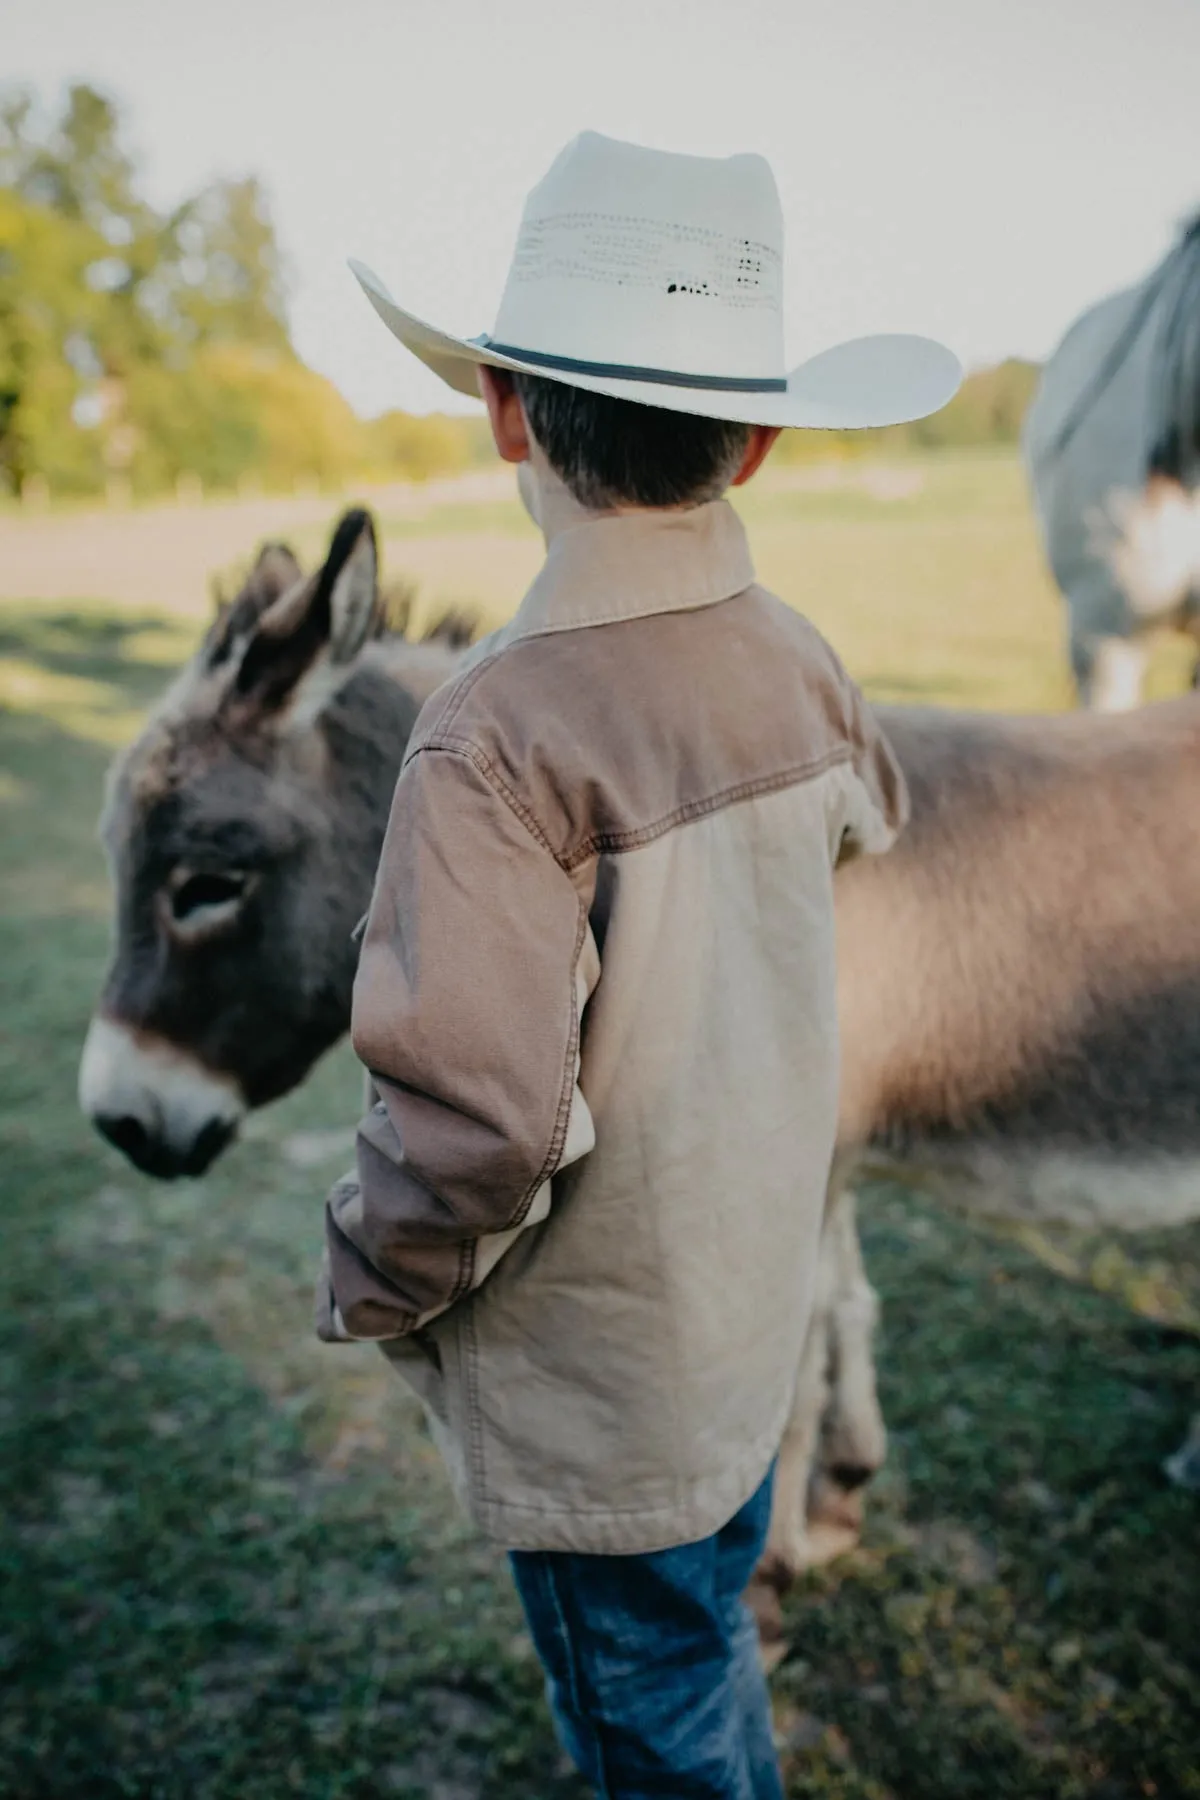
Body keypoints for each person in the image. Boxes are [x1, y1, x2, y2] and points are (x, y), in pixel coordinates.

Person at [317, 131, 960, 1799]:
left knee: (651, 1730)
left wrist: (371, 1269)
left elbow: (478, 1129)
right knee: (697, 1657)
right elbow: (871, 823)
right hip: (746, 1333)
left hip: (606, 1385)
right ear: (752, 444)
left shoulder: (497, 738)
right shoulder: (801, 663)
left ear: (506, 409)